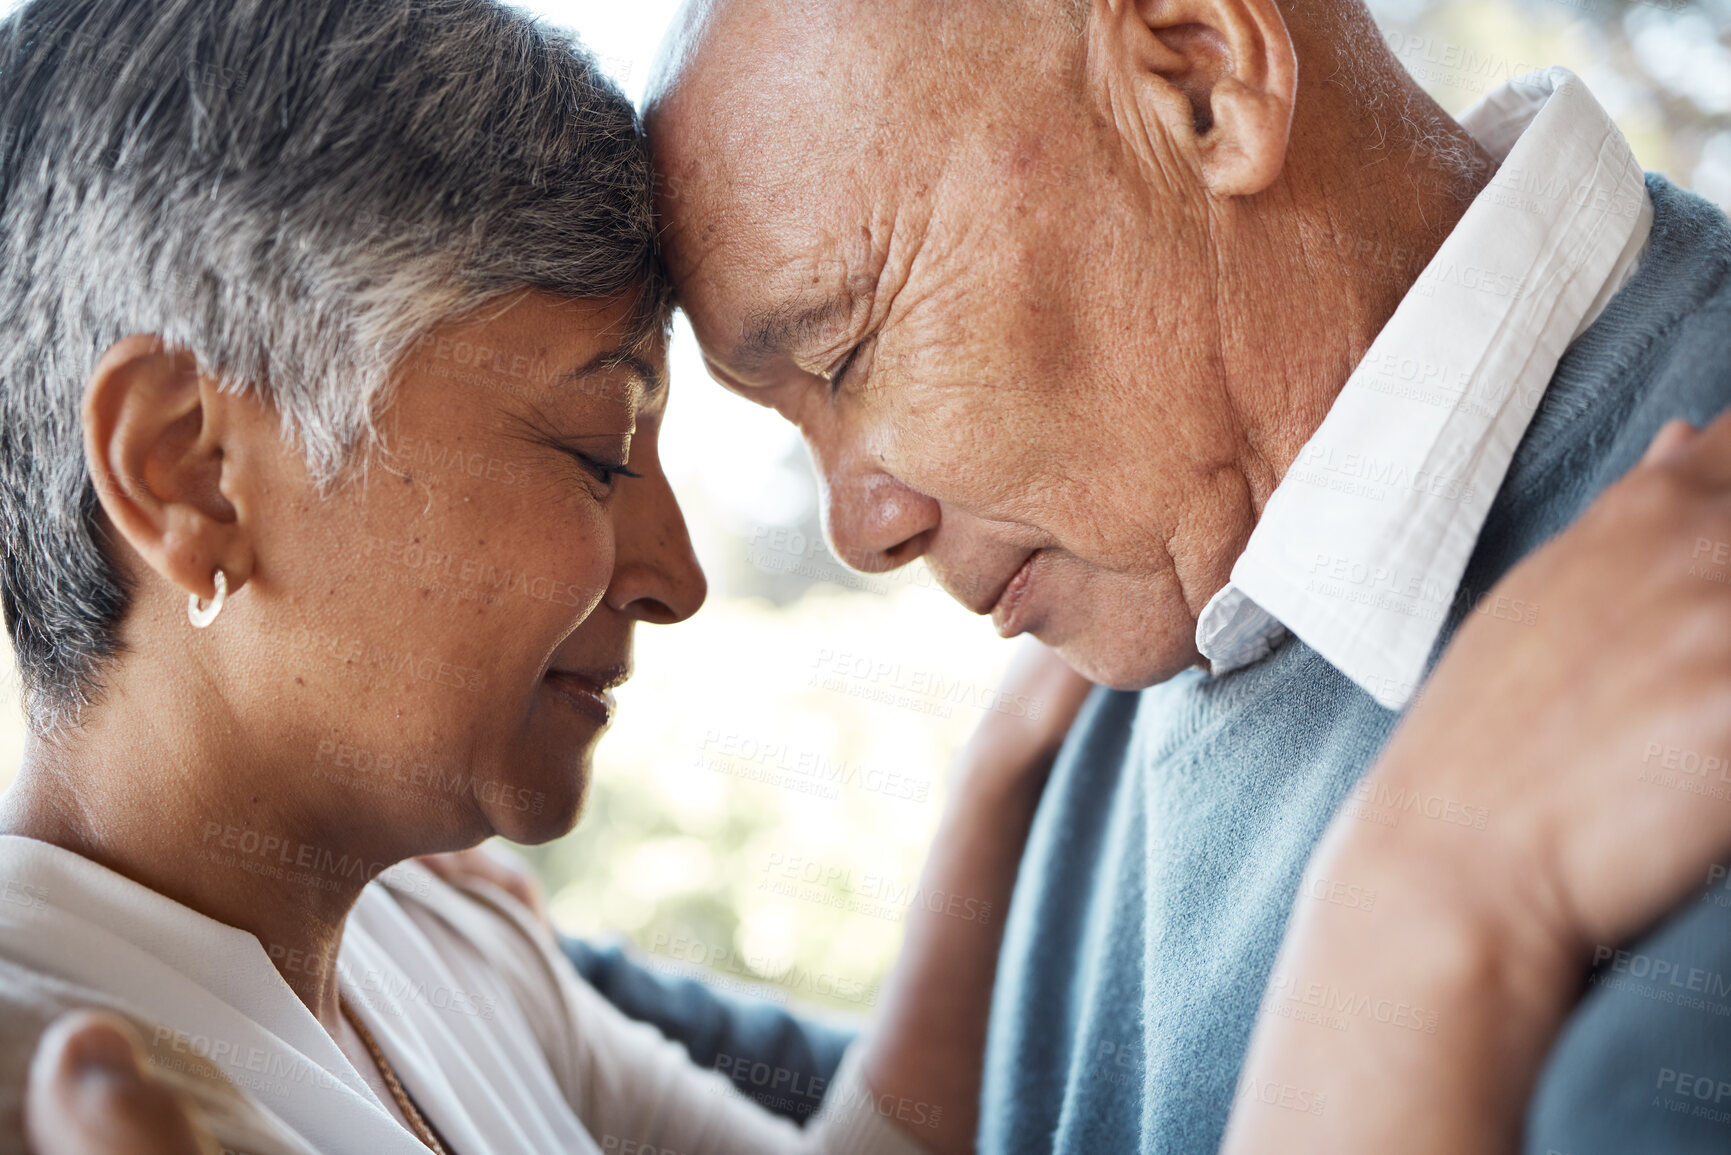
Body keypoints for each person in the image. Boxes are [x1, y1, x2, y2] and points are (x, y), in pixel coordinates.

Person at [0, 1, 1093, 1152]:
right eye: (595, 453)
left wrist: (1012, 763)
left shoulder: (442, 944)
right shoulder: (36, 1085)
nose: (676, 579)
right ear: (192, 474)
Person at [645, 0, 1731, 1149]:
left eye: (846, 353)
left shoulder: (1683, 627)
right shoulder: (1147, 616)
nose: (860, 535)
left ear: (1204, 80)